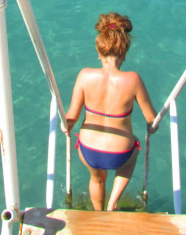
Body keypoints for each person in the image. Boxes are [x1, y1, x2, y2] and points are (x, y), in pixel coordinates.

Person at [64, 13, 157, 211]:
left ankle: (99, 214)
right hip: (120, 152)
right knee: (134, 152)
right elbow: (151, 118)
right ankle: (113, 202)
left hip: (89, 150)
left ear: (99, 52)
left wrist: (67, 125)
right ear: (124, 55)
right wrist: (152, 126)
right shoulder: (133, 80)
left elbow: (71, 117)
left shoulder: (84, 75)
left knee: (97, 179)